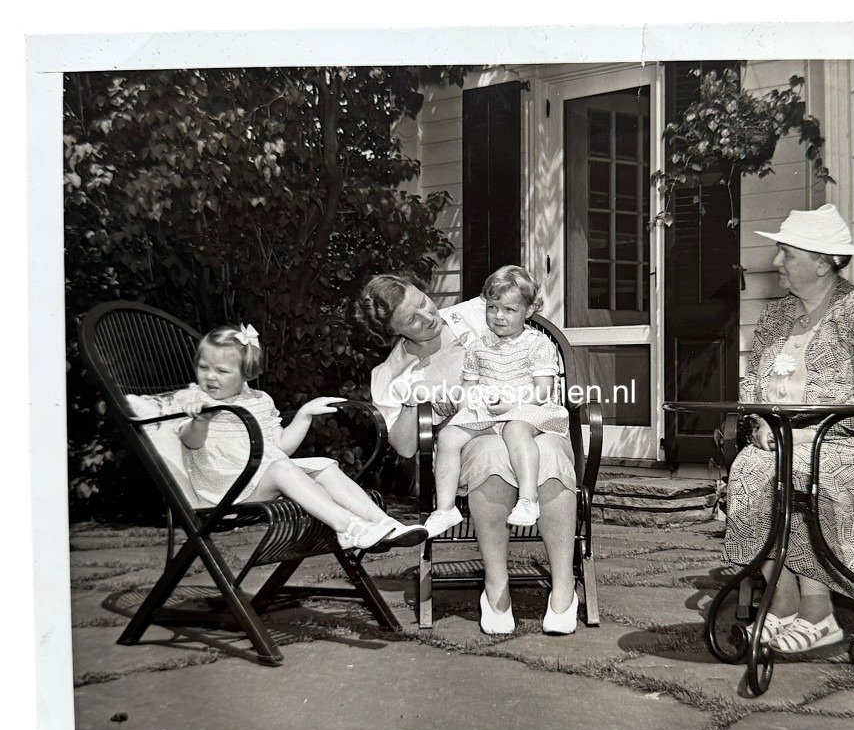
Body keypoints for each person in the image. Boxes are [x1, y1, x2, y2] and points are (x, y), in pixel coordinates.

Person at [725, 204, 854, 653]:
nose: (776, 263)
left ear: (823, 262)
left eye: (786, 253)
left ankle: (819, 614)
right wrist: (763, 420)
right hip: (786, 440)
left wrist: (810, 434)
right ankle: (782, 606)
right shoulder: (776, 316)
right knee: (751, 468)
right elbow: (752, 383)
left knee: (802, 471)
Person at [359, 272, 580, 635]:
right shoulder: (391, 373)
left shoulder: (475, 313)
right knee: (491, 456)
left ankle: (564, 587)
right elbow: (404, 445)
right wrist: (420, 400)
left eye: (423, 302)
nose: (429, 316)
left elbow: (518, 291)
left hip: (530, 420)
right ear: (394, 331)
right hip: (472, 437)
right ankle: (496, 585)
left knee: (551, 454)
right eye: (412, 319)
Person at [127, 323, 428, 552]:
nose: (210, 377)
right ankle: (347, 526)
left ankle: (383, 523)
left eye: (221, 370)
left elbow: (279, 447)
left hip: (258, 481)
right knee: (283, 468)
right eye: (204, 367)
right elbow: (191, 443)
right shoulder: (191, 398)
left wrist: (306, 413)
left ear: (246, 374)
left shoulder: (258, 399)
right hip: (225, 495)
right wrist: (200, 419)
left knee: (324, 466)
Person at [424, 265, 569, 539]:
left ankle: (528, 499)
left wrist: (512, 406)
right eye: (492, 308)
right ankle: (445, 508)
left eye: (509, 310)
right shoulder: (479, 346)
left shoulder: (537, 344)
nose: (499, 316)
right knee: (448, 437)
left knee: (515, 429)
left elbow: (542, 393)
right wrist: (458, 403)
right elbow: (468, 386)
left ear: (528, 311)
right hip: (489, 412)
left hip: (529, 411)